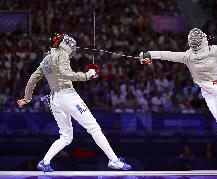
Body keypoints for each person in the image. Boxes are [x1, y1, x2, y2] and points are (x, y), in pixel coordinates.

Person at [139, 28, 217, 158]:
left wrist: (148, 54)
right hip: (209, 93)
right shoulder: (193, 55)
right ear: (202, 40)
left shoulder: (190, 56)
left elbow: (165, 54)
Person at [17, 33, 131, 172]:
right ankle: (114, 161)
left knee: (66, 136)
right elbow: (66, 74)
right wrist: (87, 75)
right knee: (93, 127)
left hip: (54, 100)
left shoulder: (45, 59)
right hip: (68, 96)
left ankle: (45, 161)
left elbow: (32, 80)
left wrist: (27, 98)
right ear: (64, 45)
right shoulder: (62, 54)